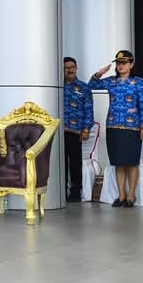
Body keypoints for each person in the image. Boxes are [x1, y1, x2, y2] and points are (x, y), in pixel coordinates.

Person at [89, 50, 143, 207]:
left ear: (131, 64)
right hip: (113, 126)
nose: (120, 65)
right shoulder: (111, 81)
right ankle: (121, 195)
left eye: (124, 63)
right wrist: (99, 73)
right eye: (118, 63)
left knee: (131, 162)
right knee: (118, 162)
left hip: (132, 127)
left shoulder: (138, 83)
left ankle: (131, 196)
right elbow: (92, 86)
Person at [62, 57, 94, 202]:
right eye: (66, 67)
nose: (69, 69)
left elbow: (89, 110)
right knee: (60, 163)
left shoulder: (84, 87)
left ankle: (75, 192)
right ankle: (60, 191)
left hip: (75, 132)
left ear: (76, 68)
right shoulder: (56, 86)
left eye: (72, 67)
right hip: (57, 132)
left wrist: (86, 129)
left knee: (75, 163)